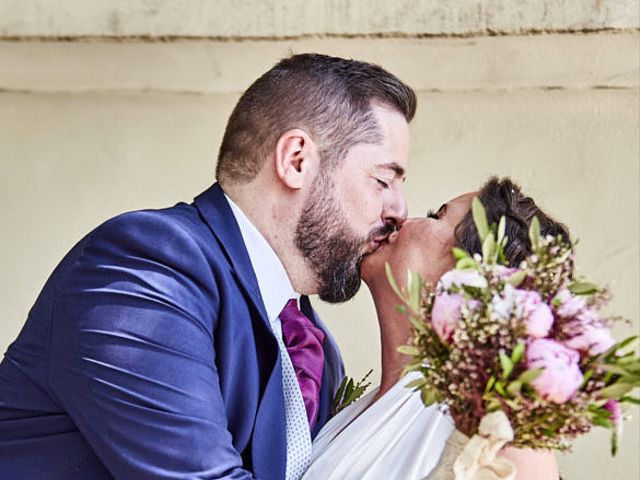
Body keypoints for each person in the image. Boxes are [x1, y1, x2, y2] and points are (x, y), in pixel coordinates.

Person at [0, 53, 416, 479]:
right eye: (383, 180)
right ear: (296, 161)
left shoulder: (315, 348)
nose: (399, 210)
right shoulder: (147, 266)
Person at [303, 177, 567, 480]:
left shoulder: (499, 431)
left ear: (471, 272)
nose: (400, 219)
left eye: (436, 215)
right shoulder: (344, 400)